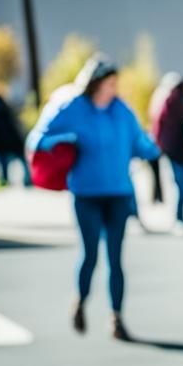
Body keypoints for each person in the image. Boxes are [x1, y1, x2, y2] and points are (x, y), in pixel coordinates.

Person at [34, 54, 161, 340]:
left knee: (116, 259)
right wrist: (63, 141)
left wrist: (154, 147)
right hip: (87, 194)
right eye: (108, 82)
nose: (112, 88)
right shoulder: (72, 108)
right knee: (90, 254)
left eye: (115, 83)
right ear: (93, 83)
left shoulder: (122, 112)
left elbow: (140, 144)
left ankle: (117, 318)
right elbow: (37, 139)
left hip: (119, 193)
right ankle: (80, 300)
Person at [149, 73, 183, 233]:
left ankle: (180, 217)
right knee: (182, 185)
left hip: (180, 150)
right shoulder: (171, 102)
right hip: (176, 150)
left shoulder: (173, 101)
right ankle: (179, 218)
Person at [0, 89, 31, 187]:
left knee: (3, 163)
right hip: (10, 140)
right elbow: (12, 125)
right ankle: (26, 180)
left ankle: (4, 180)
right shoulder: (4, 108)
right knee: (20, 160)